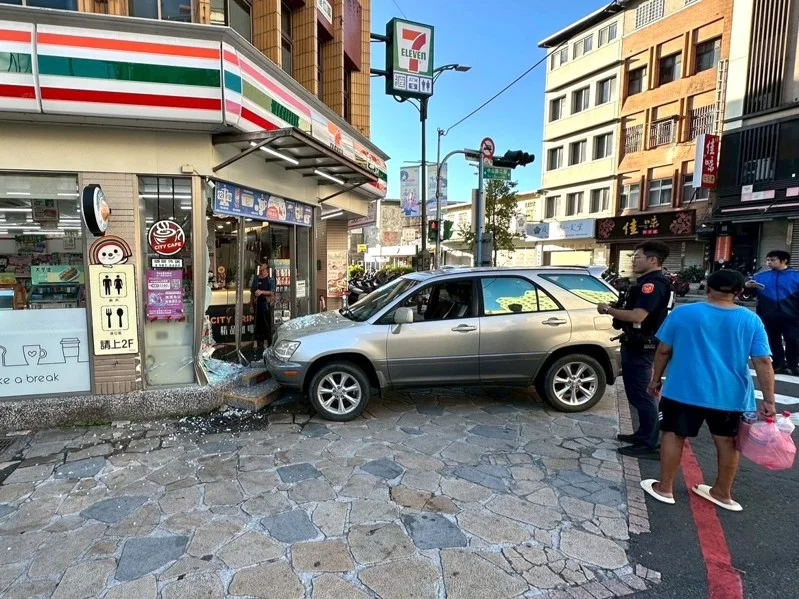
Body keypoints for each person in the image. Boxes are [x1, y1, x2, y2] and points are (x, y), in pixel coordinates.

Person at [640, 270, 776, 511]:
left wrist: (655, 379)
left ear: (708, 288)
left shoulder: (683, 313)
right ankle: (722, 493)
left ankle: (665, 488)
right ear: (738, 292)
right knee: (727, 442)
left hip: (683, 389)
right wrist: (769, 401)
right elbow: (763, 361)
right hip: (731, 395)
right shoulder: (750, 319)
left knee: (673, 434)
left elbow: (663, 350)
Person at [597, 241, 673, 459]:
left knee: (642, 393)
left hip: (643, 346)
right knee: (637, 392)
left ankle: (650, 443)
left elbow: (639, 316)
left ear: (652, 260)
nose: (633, 260)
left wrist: (608, 309)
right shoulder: (646, 283)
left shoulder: (653, 285)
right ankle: (643, 434)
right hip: (635, 342)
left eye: (637, 256)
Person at [745, 250, 799, 375]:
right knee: (772, 340)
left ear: (784, 260)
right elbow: (747, 294)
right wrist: (747, 286)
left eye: (772, 260)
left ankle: (793, 364)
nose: (769, 262)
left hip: (792, 316)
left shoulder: (796, 276)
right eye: (768, 260)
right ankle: (778, 363)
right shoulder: (760, 277)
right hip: (768, 315)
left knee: (793, 340)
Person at [250, 262, 275, 351]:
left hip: (266, 304)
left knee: (266, 323)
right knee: (257, 322)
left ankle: (266, 341)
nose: (261, 270)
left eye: (263, 269)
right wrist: (251, 305)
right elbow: (252, 292)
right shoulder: (256, 278)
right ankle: (256, 341)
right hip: (257, 303)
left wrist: (262, 292)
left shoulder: (270, 279)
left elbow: (272, 292)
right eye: (260, 269)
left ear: (267, 269)